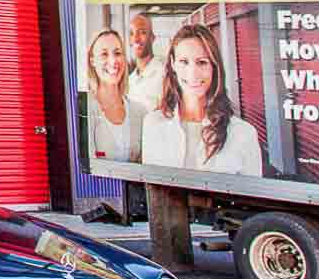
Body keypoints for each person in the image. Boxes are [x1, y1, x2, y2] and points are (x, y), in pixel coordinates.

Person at [141, 23, 262, 176]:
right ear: (173, 64)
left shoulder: (243, 134)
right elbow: (151, 187)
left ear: (214, 66)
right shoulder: (152, 124)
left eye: (202, 62)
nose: (193, 73)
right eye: (184, 62)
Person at [82, 29, 144, 164]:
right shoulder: (84, 110)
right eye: (104, 54)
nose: (113, 60)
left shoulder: (140, 112)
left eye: (117, 53)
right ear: (92, 61)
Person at [124, 11, 168, 113]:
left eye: (142, 32)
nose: (136, 39)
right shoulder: (131, 80)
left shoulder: (165, 72)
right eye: (132, 33)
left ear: (152, 38)